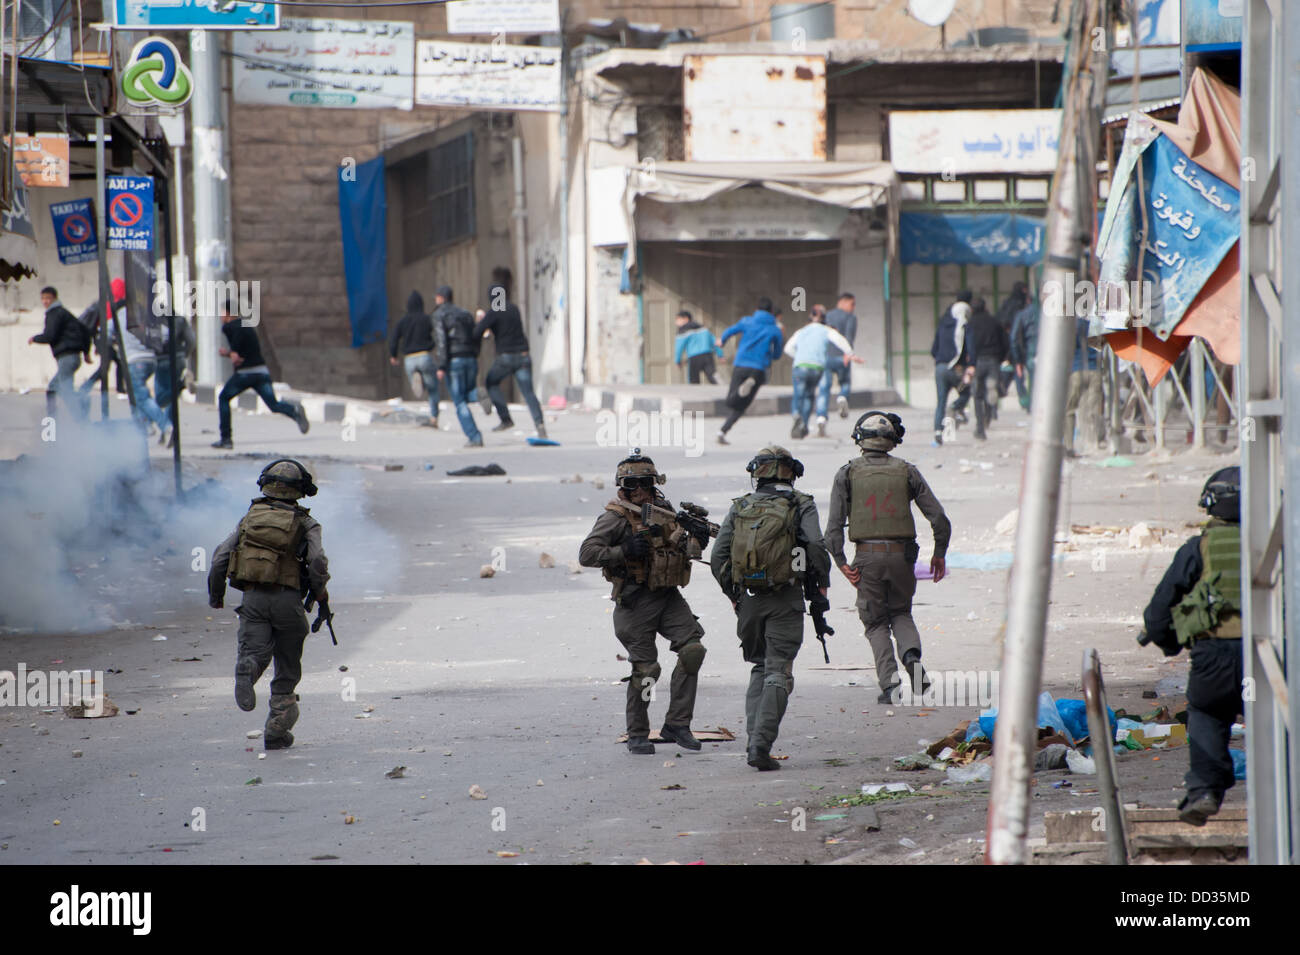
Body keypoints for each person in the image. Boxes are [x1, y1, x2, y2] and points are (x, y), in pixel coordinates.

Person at [578, 451, 709, 756]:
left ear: (654, 484)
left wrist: (698, 538)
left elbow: (681, 549)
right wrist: (622, 550)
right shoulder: (615, 516)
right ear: (621, 487)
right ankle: (638, 732)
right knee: (647, 670)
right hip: (634, 601)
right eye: (631, 484)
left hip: (667, 596)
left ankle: (677, 723)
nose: (637, 490)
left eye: (644, 483)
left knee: (692, 650)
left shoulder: (662, 510)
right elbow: (587, 553)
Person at [710, 446, 830, 770]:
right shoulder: (800, 503)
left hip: (749, 600)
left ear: (756, 472)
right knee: (778, 670)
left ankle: (753, 740)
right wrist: (822, 583)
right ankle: (759, 746)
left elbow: (719, 556)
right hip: (785, 598)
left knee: (760, 667)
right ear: (792, 473)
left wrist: (733, 594)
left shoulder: (742, 506)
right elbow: (815, 545)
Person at [1139, 467, 1242, 826]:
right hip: (1274, 653)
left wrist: (1169, 642)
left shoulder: (1199, 547)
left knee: (1208, 715)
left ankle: (1204, 791)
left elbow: (1157, 614)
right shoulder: (1279, 544)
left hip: (1215, 657)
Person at [826, 412, 952, 703]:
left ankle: (890, 686)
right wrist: (939, 554)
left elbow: (832, 528)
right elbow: (940, 519)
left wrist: (841, 562)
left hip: (867, 558)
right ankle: (911, 656)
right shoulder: (907, 471)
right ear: (892, 440)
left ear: (860, 438)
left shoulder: (846, 473)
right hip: (902, 558)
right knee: (901, 612)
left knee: (875, 623)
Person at [208, 459, 330, 751]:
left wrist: (216, 596)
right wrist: (321, 593)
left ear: (265, 484)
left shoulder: (249, 518)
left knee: (254, 651)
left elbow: (219, 559)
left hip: (253, 600)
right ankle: (277, 728)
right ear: (301, 490)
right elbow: (317, 562)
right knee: (287, 666)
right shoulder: (306, 522)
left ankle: (248, 669)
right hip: (288, 601)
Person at [213, 302, 309, 450]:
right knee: (273, 405)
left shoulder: (229, 327)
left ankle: (226, 439)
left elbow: (237, 357)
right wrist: (232, 354)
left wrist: (228, 354)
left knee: (223, 398)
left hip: (245, 374)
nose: (220, 316)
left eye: (222, 313)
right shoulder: (246, 324)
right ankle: (294, 411)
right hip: (262, 372)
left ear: (228, 313)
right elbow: (246, 350)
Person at [475, 270, 547, 439]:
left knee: (491, 382)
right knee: (528, 393)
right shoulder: (514, 308)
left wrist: (481, 321)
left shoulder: (493, 312)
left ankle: (505, 418)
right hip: (523, 356)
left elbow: (477, 332)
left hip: (506, 358)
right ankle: (540, 425)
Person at [783, 305, 860, 439]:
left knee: (798, 394)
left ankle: (796, 415)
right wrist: (850, 354)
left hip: (800, 366)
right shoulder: (826, 330)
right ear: (824, 318)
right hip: (817, 367)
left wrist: (799, 357)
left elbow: (788, 348)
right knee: (809, 396)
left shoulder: (801, 331)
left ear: (810, 316)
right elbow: (841, 341)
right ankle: (804, 426)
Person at [716, 295, 784, 445]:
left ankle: (738, 394)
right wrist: (769, 355)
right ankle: (723, 430)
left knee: (731, 401)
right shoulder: (775, 329)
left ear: (756, 309)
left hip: (741, 364)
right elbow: (778, 354)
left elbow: (730, 330)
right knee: (743, 404)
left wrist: (722, 341)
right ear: (772, 311)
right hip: (759, 369)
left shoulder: (747, 321)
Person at [433, 285, 484, 448]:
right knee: (468, 394)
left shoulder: (439, 315)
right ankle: (479, 394)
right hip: (470, 358)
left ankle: (474, 437)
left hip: (454, 362)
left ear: (441, 298)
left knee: (459, 401)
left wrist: (441, 366)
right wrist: (475, 354)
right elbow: (476, 335)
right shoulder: (465, 313)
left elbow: (442, 341)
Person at [29, 286, 89, 418]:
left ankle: (79, 416)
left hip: (67, 357)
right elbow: (84, 330)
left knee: (61, 389)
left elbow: (50, 335)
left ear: (55, 298)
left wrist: (35, 338)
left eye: (48, 298)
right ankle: (57, 417)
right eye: (43, 298)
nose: (45, 301)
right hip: (71, 357)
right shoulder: (64, 313)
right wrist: (86, 352)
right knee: (55, 387)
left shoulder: (54, 313)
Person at [388, 290, 439, 428]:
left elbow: (393, 339)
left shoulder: (403, 321)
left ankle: (418, 382)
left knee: (418, 387)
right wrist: (432, 346)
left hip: (409, 359)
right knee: (433, 389)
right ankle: (434, 417)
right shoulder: (426, 319)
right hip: (424, 356)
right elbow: (437, 335)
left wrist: (393, 355)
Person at [930, 291, 973, 446]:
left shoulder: (942, 324)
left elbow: (933, 350)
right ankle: (955, 407)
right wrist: (970, 365)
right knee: (966, 391)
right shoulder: (964, 326)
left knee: (940, 401)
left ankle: (937, 432)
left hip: (940, 368)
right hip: (956, 370)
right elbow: (969, 348)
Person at [965, 296, 1010, 441]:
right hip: (993, 360)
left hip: (977, 361)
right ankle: (990, 409)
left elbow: (968, 345)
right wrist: (1002, 357)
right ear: (985, 307)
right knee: (991, 390)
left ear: (972, 310)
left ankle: (980, 429)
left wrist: (969, 363)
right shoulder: (994, 322)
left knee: (977, 396)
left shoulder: (970, 324)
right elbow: (1005, 342)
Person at [817, 292, 859, 425]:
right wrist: (849, 354)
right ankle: (842, 397)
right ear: (843, 302)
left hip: (826, 357)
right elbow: (849, 337)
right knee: (845, 383)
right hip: (842, 356)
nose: (853, 307)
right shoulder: (850, 317)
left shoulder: (827, 316)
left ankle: (821, 417)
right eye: (852, 304)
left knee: (824, 389)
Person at [1064, 318, 1103, 457]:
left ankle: (1069, 446)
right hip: (1095, 371)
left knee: (1069, 410)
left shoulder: (1070, 326)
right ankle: (1093, 445)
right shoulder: (1095, 326)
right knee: (1092, 411)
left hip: (1076, 371)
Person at [153, 314, 196, 438]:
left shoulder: (152, 321)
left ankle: (165, 429)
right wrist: (184, 354)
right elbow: (191, 340)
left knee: (161, 398)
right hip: (178, 359)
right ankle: (168, 430)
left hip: (161, 360)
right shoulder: (180, 320)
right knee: (172, 396)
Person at [994, 282, 1029, 402]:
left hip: (1005, 342)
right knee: (1018, 370)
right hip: (1017, 341)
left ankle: (1001, 391)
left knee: (1009, 369)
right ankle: (1024, 400)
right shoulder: (1020, 305)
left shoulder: (1006, 303)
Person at [1010, 294, 1041, 412]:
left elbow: (1013, 338)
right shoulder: (1050, 313)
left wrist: (1018, 360)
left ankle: (1034, 407)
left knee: (1034, 380)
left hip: (1031, 351)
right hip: (1048, 350)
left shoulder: (1023, 314)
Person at [673, 310, 722, 384]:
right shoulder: (702, 328)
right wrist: (720, 354)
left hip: (694, 357)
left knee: (693, 380)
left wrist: (677, 360)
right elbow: (714, 341)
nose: (676, 322)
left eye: (678, 319)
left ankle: (693, 394)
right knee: (713, 376)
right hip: (707, 355)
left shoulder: (682, 331)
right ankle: (723, 389)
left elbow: (679, 347)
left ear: (686, 319)